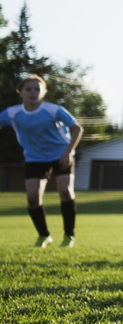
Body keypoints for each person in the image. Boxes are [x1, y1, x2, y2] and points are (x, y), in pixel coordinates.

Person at [4, 75, 82, 247]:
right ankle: (44, 235)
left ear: (44, 92)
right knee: (32, 199)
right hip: (34, 157)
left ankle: (69, 235)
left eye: (37, 89)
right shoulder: (12, 113)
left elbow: (77, 128)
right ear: (20, 92)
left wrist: (68, 152)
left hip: (61, 153)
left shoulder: (54, 110)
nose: (33, 93)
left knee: (66, 192)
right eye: (29, 89)